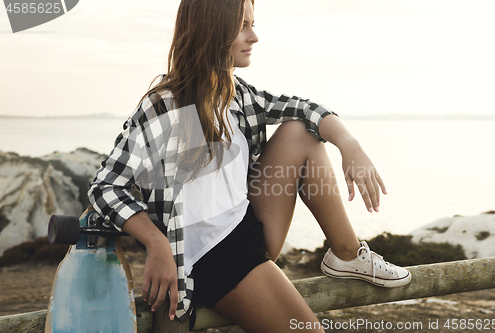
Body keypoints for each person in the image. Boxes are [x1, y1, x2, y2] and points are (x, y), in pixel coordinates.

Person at [88, 0, 411, 331]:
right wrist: (156, 243)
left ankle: (347, 254)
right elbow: (106, 187)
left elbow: (306, 109)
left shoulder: (236, 95)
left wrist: (349, 145)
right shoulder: (168, 105)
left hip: (248, 227)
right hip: (209, 257)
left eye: (252, 24)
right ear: (211, 30)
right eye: (242, 26)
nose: (254, 37)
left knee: (300, 131)